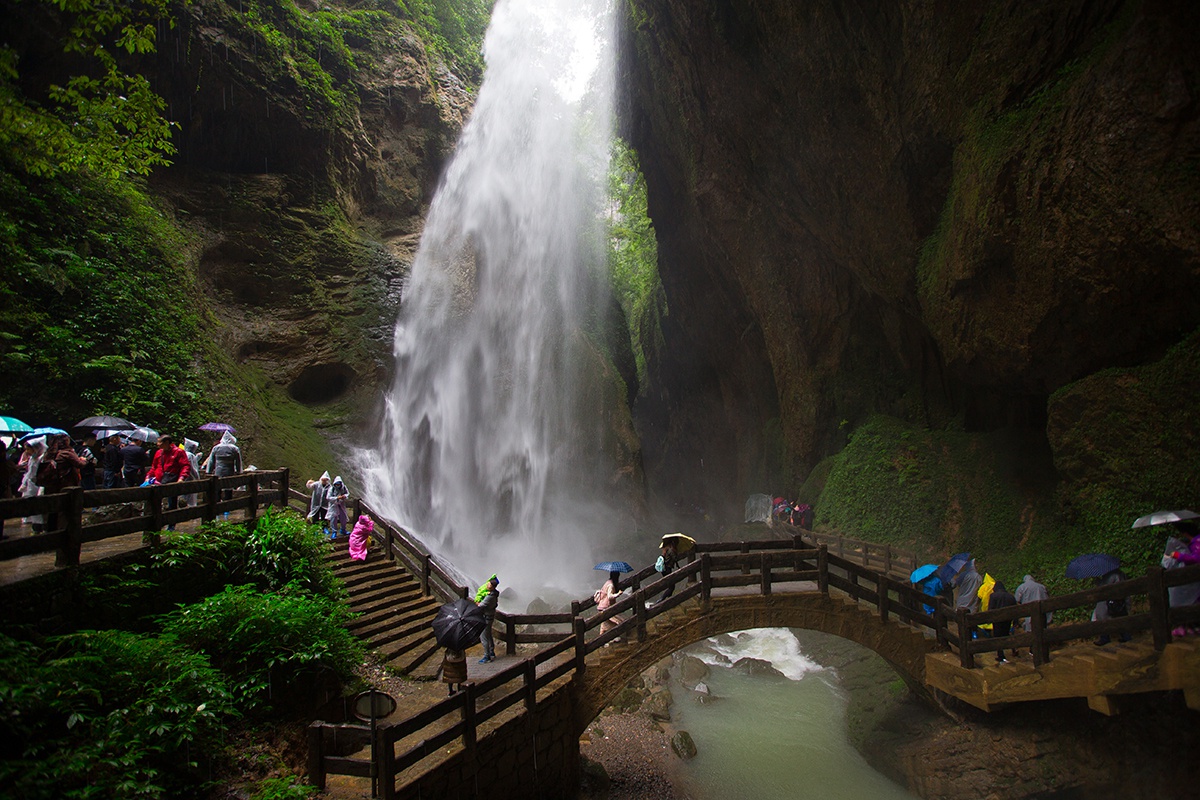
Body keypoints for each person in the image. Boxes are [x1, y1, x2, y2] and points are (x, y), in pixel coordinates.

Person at [145, 435, 191, 532]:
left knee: (172, 503)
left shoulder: (178, 452)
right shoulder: (158, 453)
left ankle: (171, 525)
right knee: (156, 503)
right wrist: (148, 477)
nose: (157, 444)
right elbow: (154, 467)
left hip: (172, 480)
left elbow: (185, 466)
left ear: (166, 443)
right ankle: (157, 524)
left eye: (159, 442)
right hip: (159, 480)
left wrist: (181, 478)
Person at [1166, 523, 1200, 637]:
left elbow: (1196, 558)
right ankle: (1190, 626)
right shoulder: (1194, 543)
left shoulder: (1197, 542)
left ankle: (1192, 626)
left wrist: (1179, 556)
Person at [202, 431, 242, 511]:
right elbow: (238, 462)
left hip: (218, 470)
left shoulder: (216, 448)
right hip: (229, 470)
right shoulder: (234, 448)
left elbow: (211, 461)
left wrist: (209, 471)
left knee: (217, 488)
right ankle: (227, 506)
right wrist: (238, 471)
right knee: (228, 488)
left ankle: (217, 506)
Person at [1094, 568, 1132, 646]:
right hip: (1117, 601)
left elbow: (1105, 587)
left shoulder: (1112, 576)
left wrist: (1097, 581)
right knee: (1120, 617)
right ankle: (1126, 636)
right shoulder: (1120, 574)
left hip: (1111, 601)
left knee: (1105, 618)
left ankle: (1105, 638)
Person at [989, 580, 1017, 663]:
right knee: (1006, 635)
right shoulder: (1011, 596)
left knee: (998, 637)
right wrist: (1015, 621)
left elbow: (991, 609)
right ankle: (1013, 650)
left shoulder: (993, 596)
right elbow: (1016, 610)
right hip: (1008, 620)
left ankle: (1001, 655)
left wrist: (988, 619)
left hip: (997, 620)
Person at [475, 574, 499, 663]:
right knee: (488, 634)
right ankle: (492, 651)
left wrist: (477, 602)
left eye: (489, 585)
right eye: (488, 584)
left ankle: (486, 656)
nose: (487, 585)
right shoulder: (494, 594)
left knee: (483, 636)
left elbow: (481, 605)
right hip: (490, 617)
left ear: (493, 587)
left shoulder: (490, 597)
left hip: (486, 618)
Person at [595, 570, 626, 641]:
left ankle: (601, 641)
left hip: (601, 606)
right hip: (606, 607)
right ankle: (611, 638)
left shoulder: (607, 582)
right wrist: (618, 594)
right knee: (617, 623)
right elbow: (609, 596)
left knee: (605, 624)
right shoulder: (611, 585)